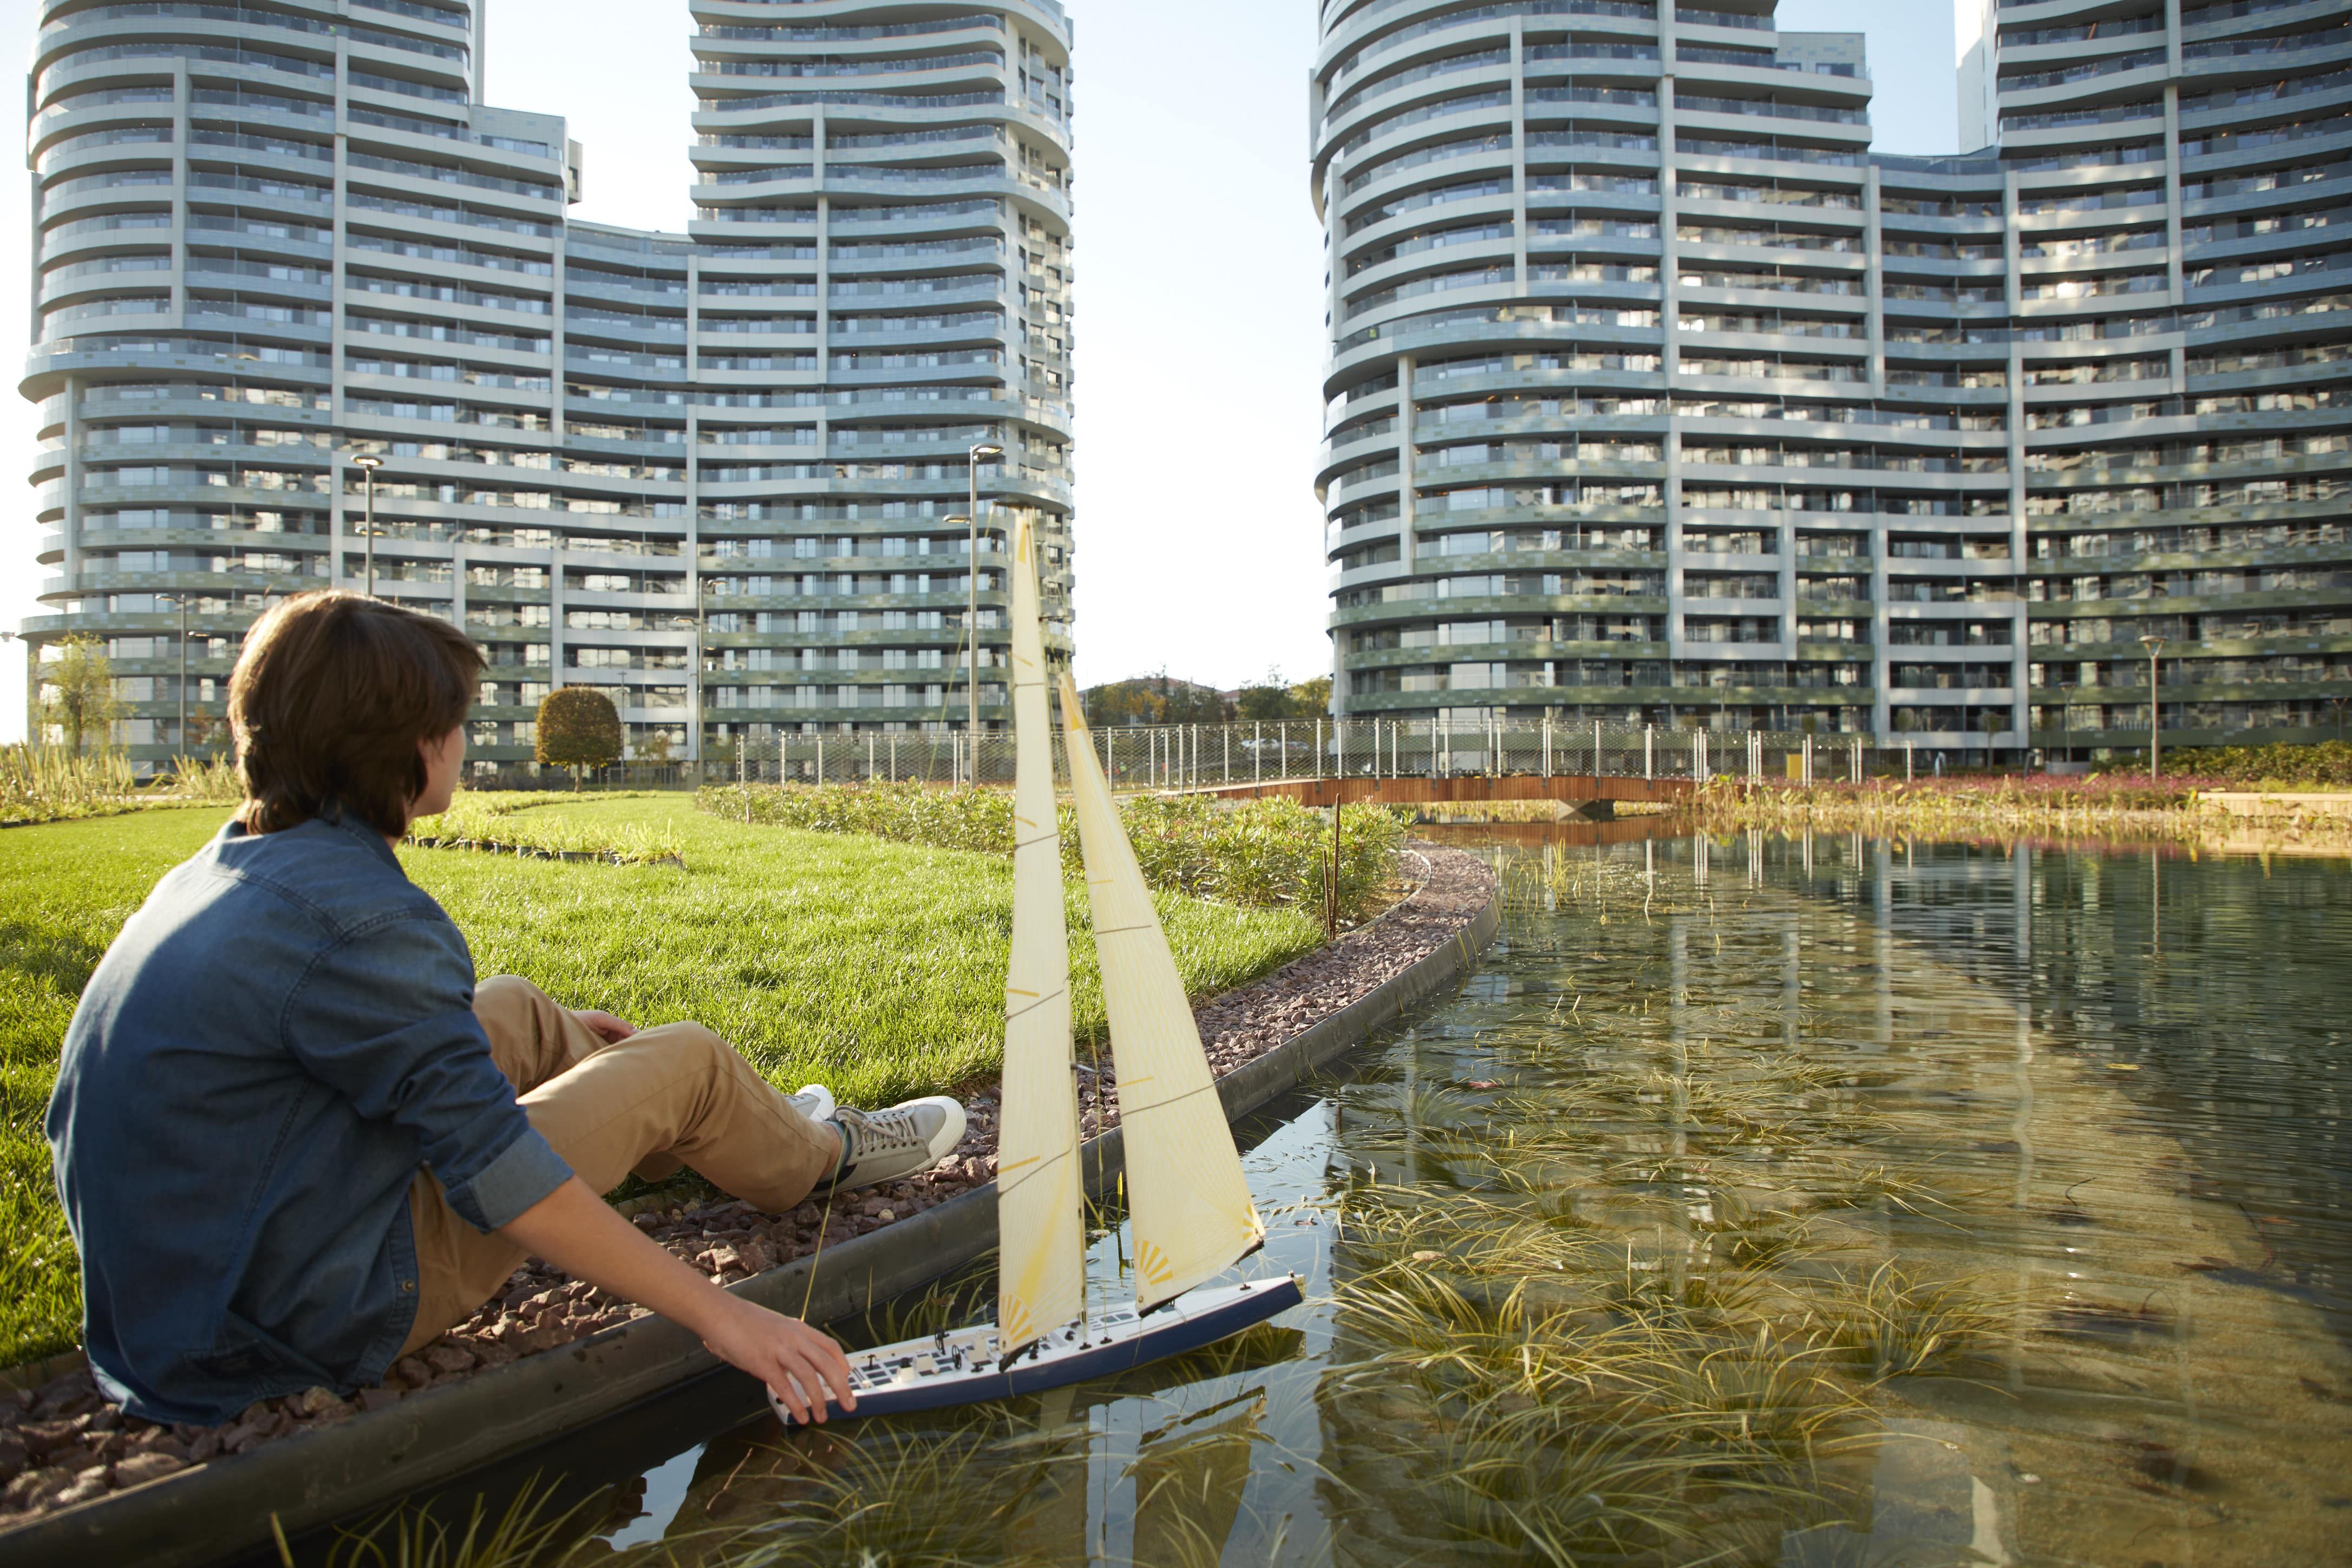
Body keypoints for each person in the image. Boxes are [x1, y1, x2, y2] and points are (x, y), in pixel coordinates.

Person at [45, 590, 965, 1428]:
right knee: (685, 1059)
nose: (464, 741)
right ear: (410, 744)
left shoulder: (217, 872)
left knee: (515, 1010)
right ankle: (818, 1156)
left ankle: (709, 1129)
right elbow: (496, 1174)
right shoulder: (362, 919)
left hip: (181, 1306)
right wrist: (723, 1317)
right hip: (295, 1320)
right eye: (456, 721)